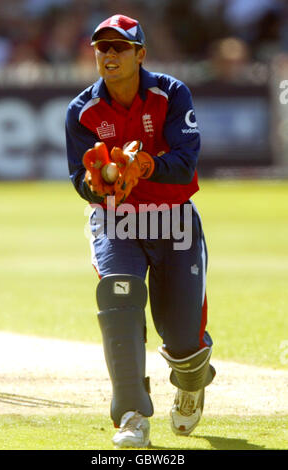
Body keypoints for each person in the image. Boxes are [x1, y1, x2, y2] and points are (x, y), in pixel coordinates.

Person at [65, 14, 215, 448]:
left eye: (119, 47)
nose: (109, 55)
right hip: (118, 220)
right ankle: (131, 415)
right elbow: (79, 178)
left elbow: (185, 162)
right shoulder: (82, 111)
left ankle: (192, 379)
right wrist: (95, 184)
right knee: (119, 295)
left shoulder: (169, 93)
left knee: (185, 343)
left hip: (173, 219)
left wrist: (143, 165)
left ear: (140, 54)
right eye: (102, 48)